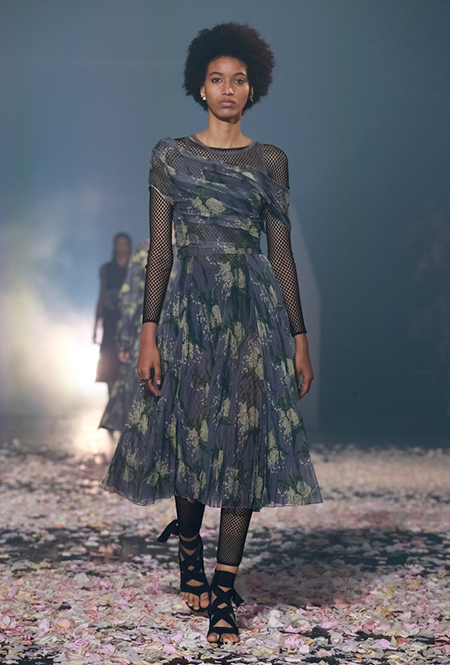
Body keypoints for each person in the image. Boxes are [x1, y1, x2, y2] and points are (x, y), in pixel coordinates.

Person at [102, 22, 323, 646]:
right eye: (218, 79)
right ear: (200, 87)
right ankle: (189, 553)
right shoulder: (171, 155)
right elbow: (160, 251)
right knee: (190, 434)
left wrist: (298, 336)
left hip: (251, 314)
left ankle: (224, 590)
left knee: (243, 442)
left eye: (239, 80)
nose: (229, 89)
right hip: (189, 313)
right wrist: (149, 332)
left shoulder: (270, 160)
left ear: (253, 89)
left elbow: (280, 253)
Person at [99, 235, 179, 433]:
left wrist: (125, 340)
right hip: (181, 333)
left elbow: (131, 297)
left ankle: (143, 440)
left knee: (143, 394)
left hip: (150, 330)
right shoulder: (195, 246)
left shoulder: (146, 249)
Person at [94, 233, 132, 395]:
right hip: (109, 322)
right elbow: (102, 295)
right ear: (114, 246)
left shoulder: (136, 268)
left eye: (124, 244)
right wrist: (95, 327)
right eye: (118, 244)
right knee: (109, 364)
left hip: (129, 321)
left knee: (129, 364)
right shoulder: (106, 269)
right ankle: (111, 402)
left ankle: (126, 404)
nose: (121, 247)